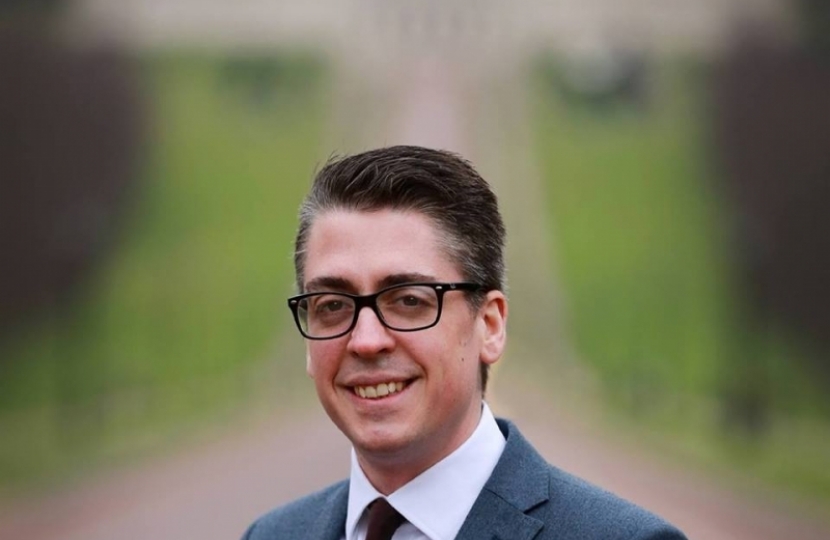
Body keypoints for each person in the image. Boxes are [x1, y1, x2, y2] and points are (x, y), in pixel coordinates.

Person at [242, 146, 687, 540]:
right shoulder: (270, 535)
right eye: (333, 305)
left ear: (489, 326)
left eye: (409, 300)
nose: (366, 340)